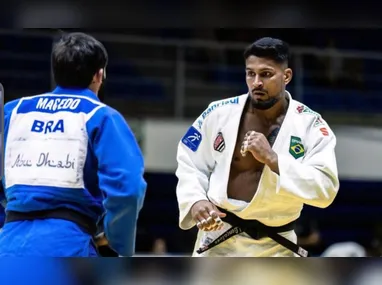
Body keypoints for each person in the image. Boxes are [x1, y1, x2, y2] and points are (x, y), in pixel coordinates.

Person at [175, 37, 340, 257]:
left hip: (277, 247)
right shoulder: (218, 112)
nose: (256, 82)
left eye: (266, 74)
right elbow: (189, 161)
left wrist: (274, 159)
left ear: (287, 76)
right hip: (218, 240)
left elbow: (326, 189)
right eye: (250, 73)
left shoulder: (311, 125)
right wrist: (196, 199)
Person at [0, 32, 147, 257]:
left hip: (8, 248)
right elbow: (128, 188)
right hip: (69, 249)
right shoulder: (102, 117)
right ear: (99, 75)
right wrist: (117, 243)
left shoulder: (12, 111)